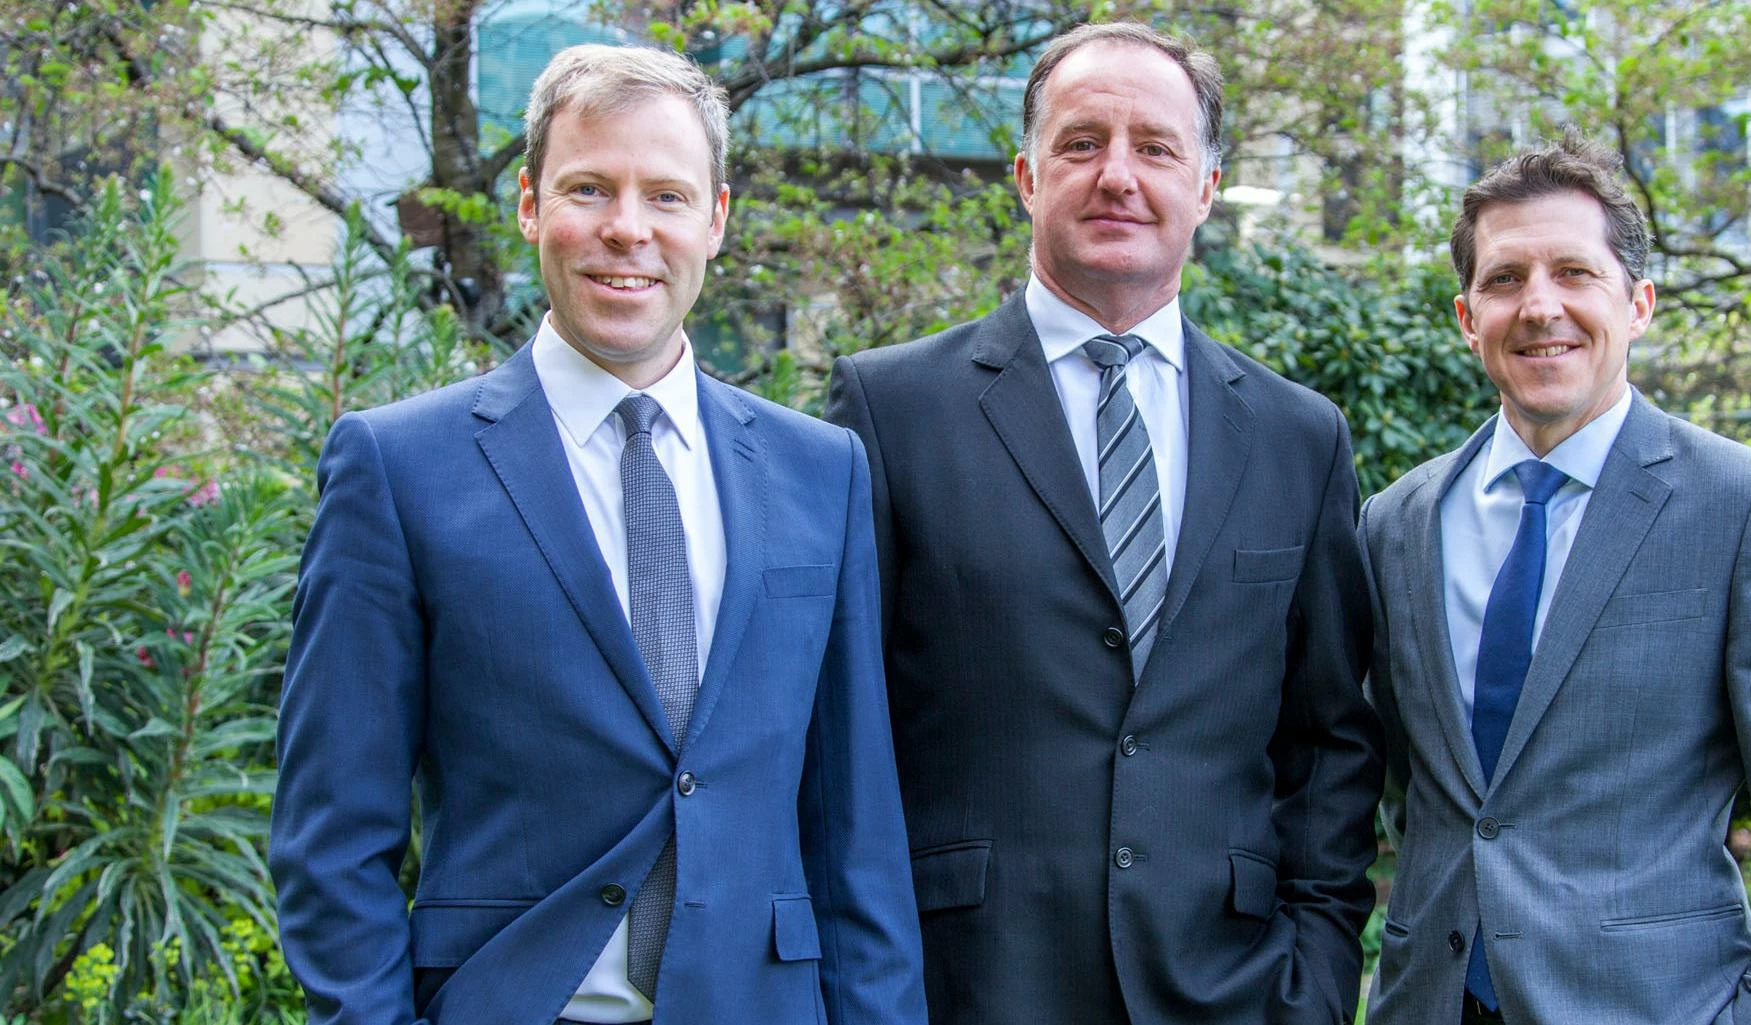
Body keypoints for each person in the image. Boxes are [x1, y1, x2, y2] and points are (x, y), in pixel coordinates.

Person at [270, 43, 924, 1025]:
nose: (627, 230)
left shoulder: (818, 472)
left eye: (665, 196)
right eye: (590, 188)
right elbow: (333, 836)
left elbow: (855, 830)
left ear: (716, 220)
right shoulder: (399, 468)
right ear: (531, 205)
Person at [824, 21, 1382, 1025]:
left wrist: (1317, 980)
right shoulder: (889, 411)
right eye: (1082, 144)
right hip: (969, 983)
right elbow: (841, 730)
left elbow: (1330, 739)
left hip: (1235, 989)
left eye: (1156, 148)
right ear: (1027, 176)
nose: (1117, 175)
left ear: (1206, 189)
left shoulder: (1301, 437)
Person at [1361, 135, 1751, 1025]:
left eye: (1574, 272)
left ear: (1637, 303)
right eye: (1504, 279)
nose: (1539, 307)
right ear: (1465, 314)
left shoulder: (1747, 506)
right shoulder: (1396, 523)